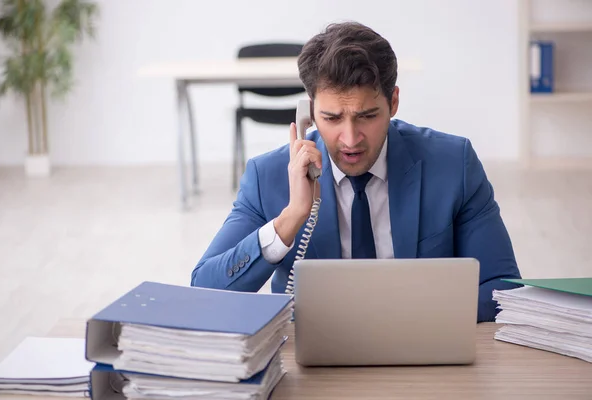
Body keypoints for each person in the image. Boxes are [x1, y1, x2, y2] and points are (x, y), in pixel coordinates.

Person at [191, 21, 521, 322]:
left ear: (393, 102)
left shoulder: (453, 164)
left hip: (423, 355)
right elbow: (204, 291)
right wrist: (290, 220)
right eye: (332, 118)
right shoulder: (268, 176)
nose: (350, 139)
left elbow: (502, 289)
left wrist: (398, 316)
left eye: (367, 115)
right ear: (309, 110)